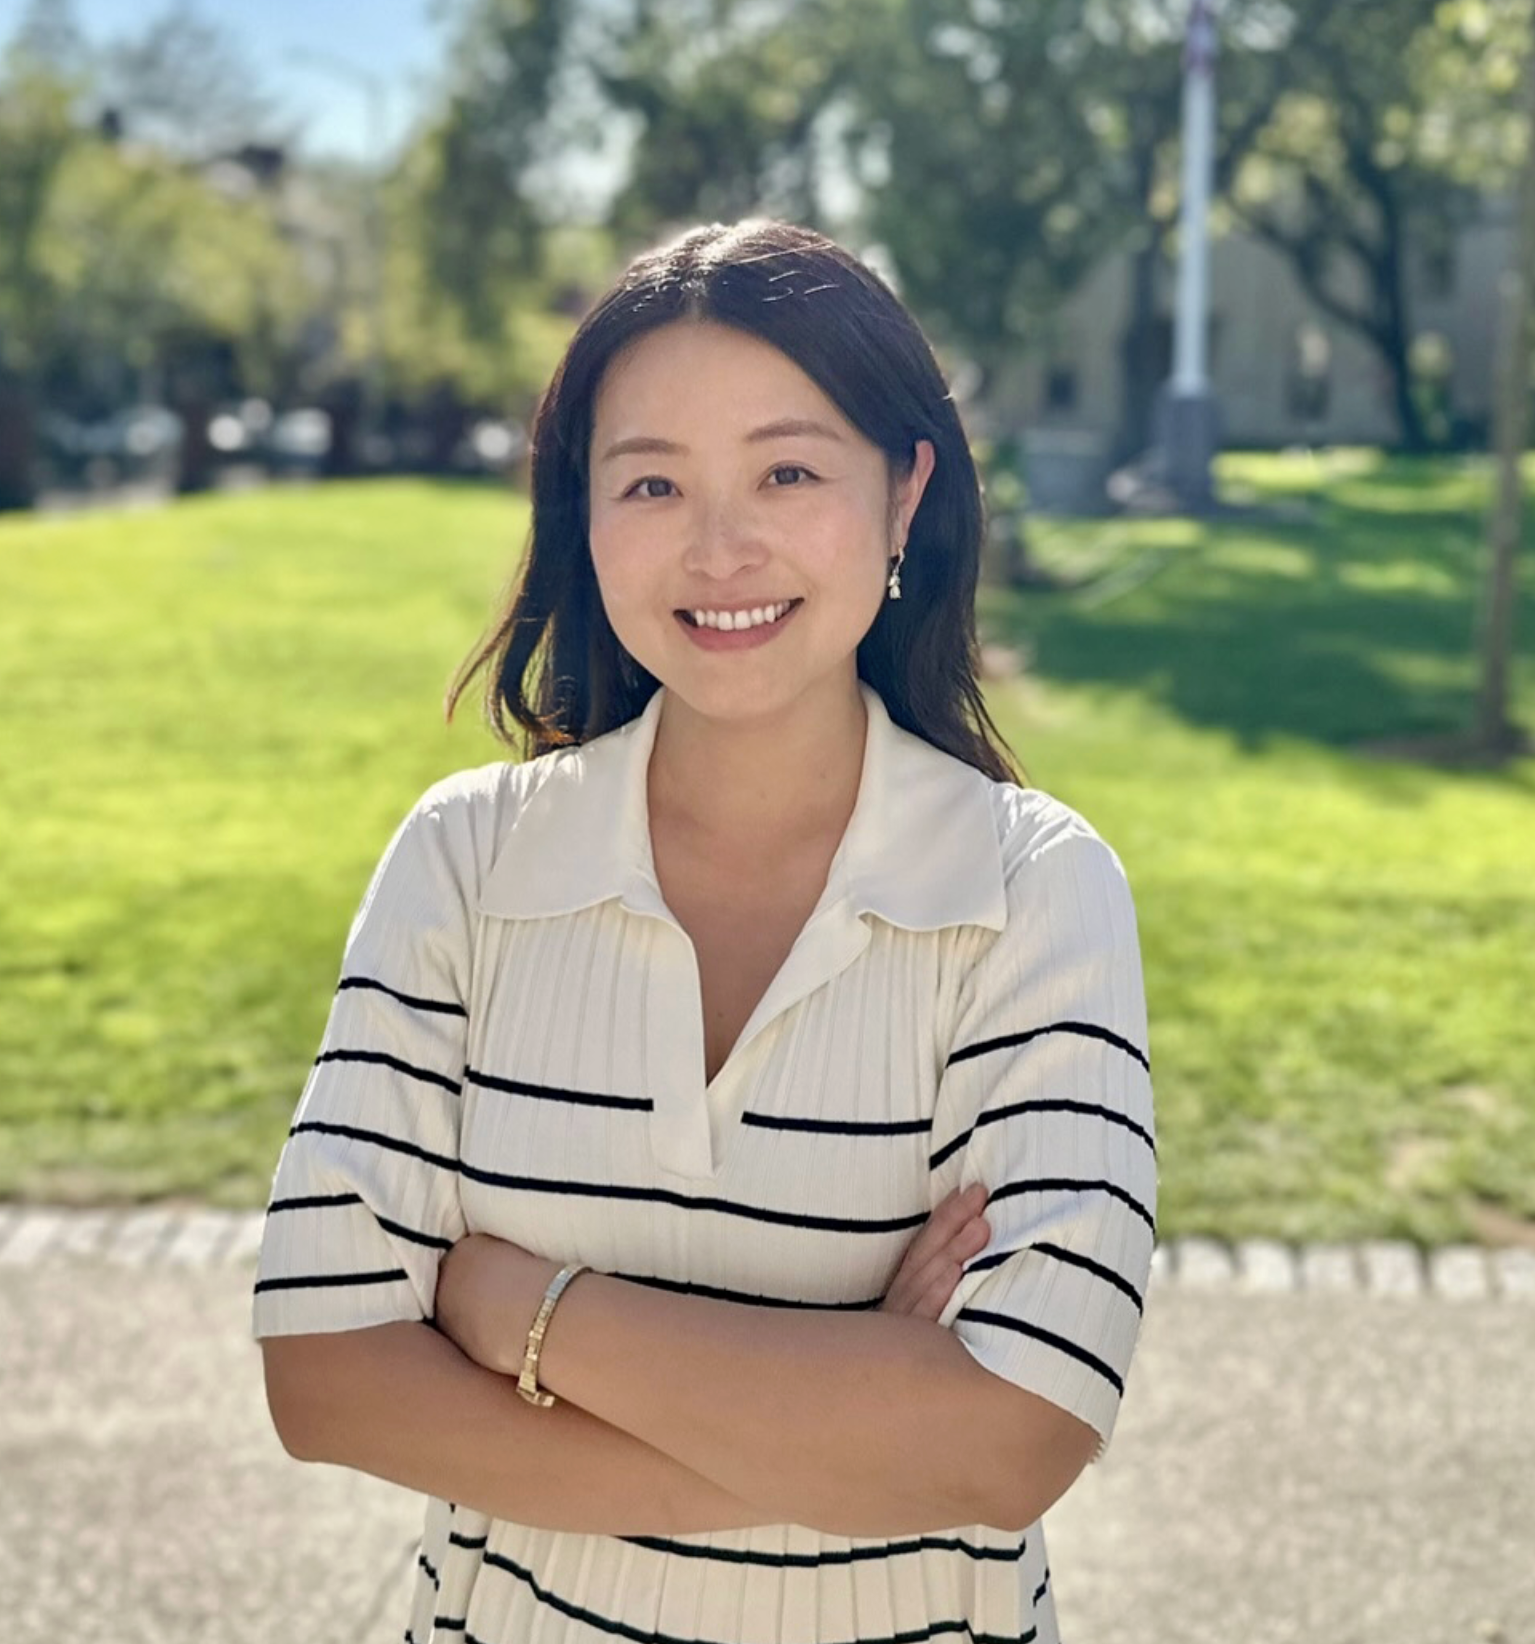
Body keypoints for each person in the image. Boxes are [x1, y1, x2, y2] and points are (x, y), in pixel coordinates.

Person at [252, 218, 1156, 1644]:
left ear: (906, 493)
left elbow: (1016, 1436)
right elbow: (325, 1378)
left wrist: (524, 1313)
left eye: (788, 472)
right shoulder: (468, 859)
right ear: (582, 515)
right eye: (652, 482)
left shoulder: (1032, 887)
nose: (720, 547)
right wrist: (858, 1424)